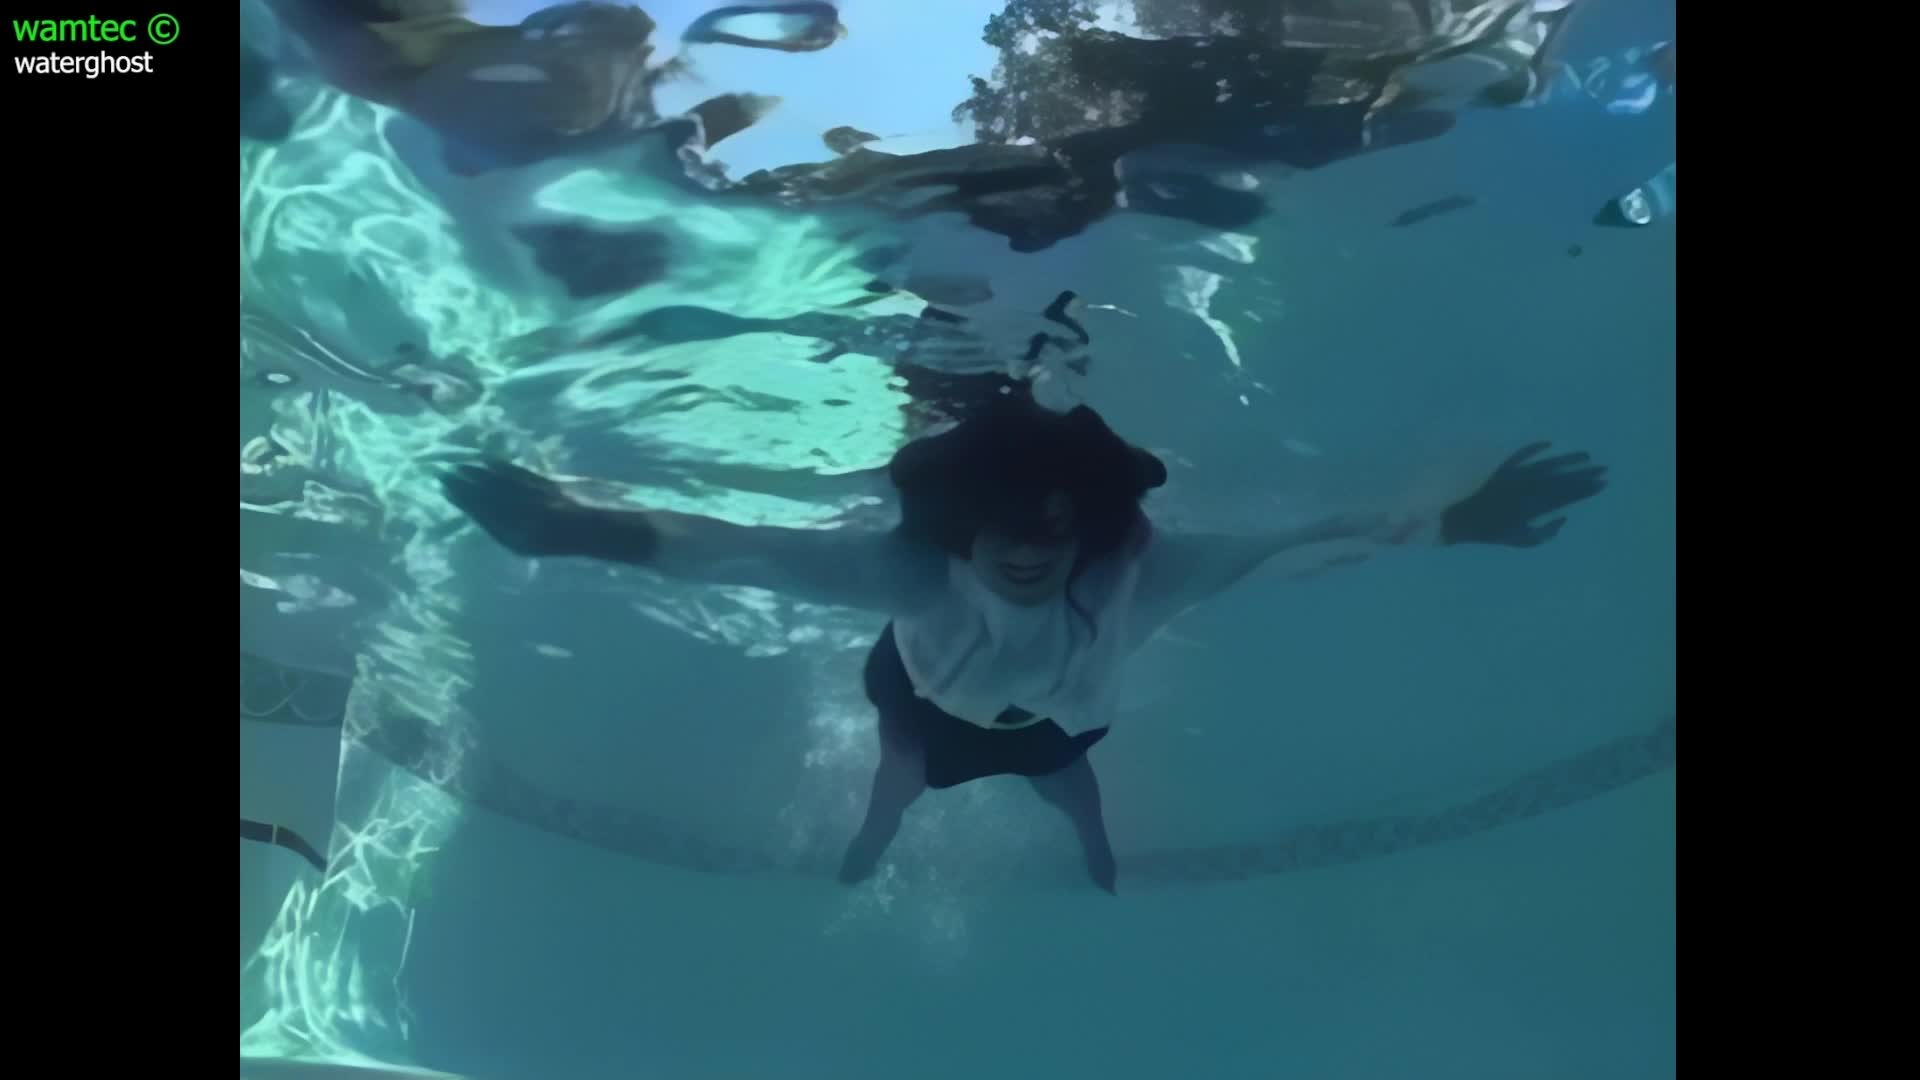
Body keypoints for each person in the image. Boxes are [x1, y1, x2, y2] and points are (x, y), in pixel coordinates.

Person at [440, 390, 1606, 893]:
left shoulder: (1149, 571)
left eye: (1053, 526)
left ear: (1085, 522)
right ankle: (874, 837)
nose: (1029, 551)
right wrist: (580, 527)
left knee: (1070, 788)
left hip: (1056, 717)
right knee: (900, 780)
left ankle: (1095, 852)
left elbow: (1305, 544)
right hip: (922, 697)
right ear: (963, 525)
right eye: (1004, 527)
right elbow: (745, 551)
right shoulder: (906, 570)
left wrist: (1457, 522)